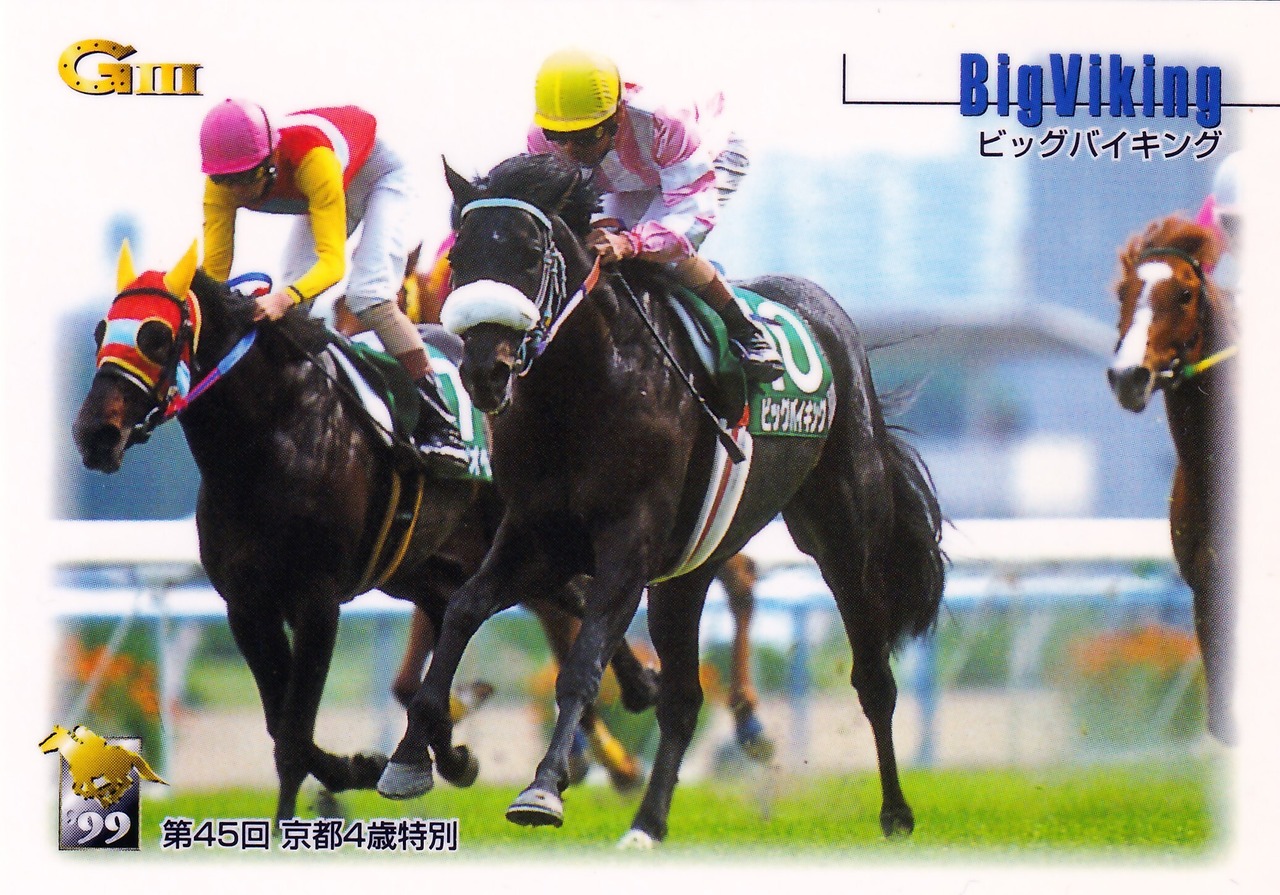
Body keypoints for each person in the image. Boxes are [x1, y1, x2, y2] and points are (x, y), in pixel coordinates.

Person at [198, 98, 468, 471]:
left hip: (379, 177)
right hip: (331, 184)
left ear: (271, 159)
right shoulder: (220, 188)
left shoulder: (313, 161)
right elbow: (215, 273)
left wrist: (283, 298)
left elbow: (331, 264)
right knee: (292, 310)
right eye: (225, 181)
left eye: (247, 177)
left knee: (368, 297)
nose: (237, 191)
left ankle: (441, 421)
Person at [528, 49, 784, 383]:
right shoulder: (540, 138)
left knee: (660, 253)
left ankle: (746, 331)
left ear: (619, 113)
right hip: (628, 173)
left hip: (706, 157)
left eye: (586, 137)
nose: (571, 151)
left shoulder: (665, 122)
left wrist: (630, 242)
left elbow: (692, 216)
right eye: (558, 137)